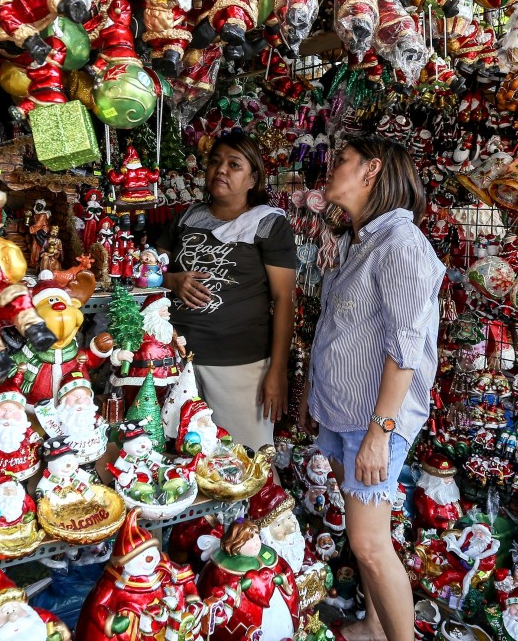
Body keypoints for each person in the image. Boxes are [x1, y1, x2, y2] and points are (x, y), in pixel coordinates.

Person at [298, 136, 444, 641]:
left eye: (341, 160)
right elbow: (338, 333)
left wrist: (380, 433)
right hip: (344, 415)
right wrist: (311, 398)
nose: (331, 168)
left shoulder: (402, 245)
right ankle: (374, 627)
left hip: (372, 422)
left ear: (371, 171)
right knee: (367, 541)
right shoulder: (363, 241)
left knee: (368, 544)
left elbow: (405, 348)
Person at [157, 132, 296, 453]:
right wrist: (172, 280)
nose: (221, 170)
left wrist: (277, 370)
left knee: (243, 459)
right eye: (215, 162)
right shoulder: (187, 218)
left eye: (234, 164)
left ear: (253, 178)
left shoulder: (268, 225)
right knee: (180, 454)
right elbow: (146, 269)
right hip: (177, 359)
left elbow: (284, 299)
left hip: (239, 366)